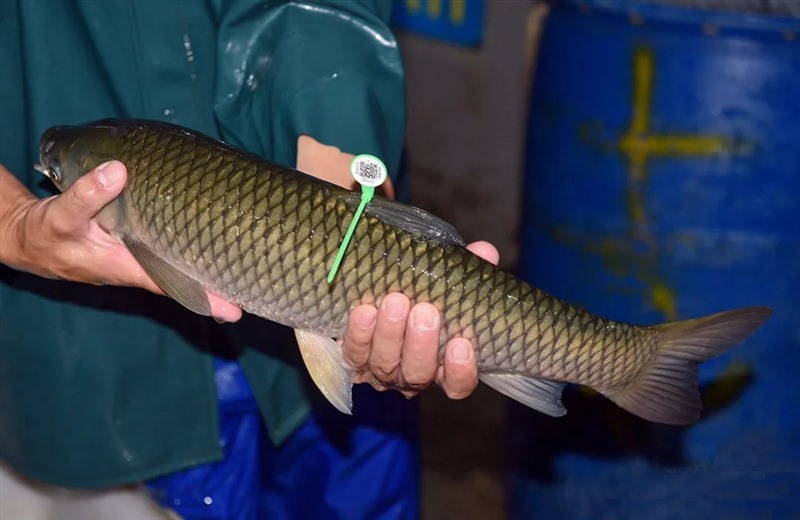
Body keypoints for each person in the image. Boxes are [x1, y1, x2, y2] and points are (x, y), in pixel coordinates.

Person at [0, 1, 498, 518]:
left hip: (324, 342)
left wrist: (336, 151)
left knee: (355, 479)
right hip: (107, 373)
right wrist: (11, 222)